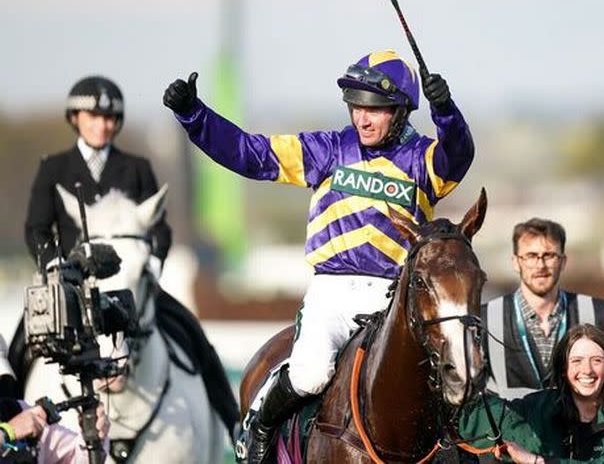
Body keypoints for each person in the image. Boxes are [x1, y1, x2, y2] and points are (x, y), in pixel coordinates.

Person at [162, 49, 474, 462]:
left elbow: (460, 154)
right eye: (357, 107)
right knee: (310, 374)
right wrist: (194, 115)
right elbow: (249, 153)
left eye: (375, 110)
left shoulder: (424, 158)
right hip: (334, 293)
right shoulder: (326, 149)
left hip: (395, 295)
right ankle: (258, 427)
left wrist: (446, 110)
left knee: (442, 376)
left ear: (400, 111)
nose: (362, 119)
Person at [15, 75, 239, 443]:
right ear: (76, 118)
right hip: (71, 290)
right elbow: (37, 228)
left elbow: (160, 231)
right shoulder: (54, 168)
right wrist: (55, 267)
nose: (102, 125)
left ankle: (232, 422)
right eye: (94, 117)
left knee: (192, 332)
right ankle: (11, 417)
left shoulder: (136, 168)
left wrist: (150, 265)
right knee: (20, 341)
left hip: (132, 286)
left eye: (110, 119)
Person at [459, 324, 604, 463]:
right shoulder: (540, 407)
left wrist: (537, 462)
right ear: (563, 368)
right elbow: (481, 418)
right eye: (577, 361)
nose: (587, 370)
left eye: (596, 360)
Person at [484, 218, 604, 399]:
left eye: (549, 255)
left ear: (563, 262)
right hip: (510, 427)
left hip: (583, 428)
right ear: (515, 262)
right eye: (531, 256)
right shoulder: (485, 319)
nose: (540, 265)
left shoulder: (595, 312)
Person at [1, 334, 111, 464]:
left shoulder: (16, 411)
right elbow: (11, 430)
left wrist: (92, 437)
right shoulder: (17, 423)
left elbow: (75, 457)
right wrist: (7, 433)